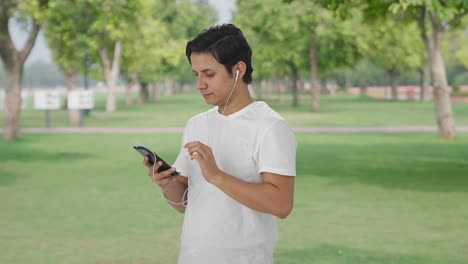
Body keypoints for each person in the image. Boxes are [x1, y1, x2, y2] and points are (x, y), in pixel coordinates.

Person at [144, 23, 297, 264]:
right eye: (197, 75)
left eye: (209, 74)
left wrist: (216, 176)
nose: (199, 84)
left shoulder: (270, 127)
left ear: (238, 69)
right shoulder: (196, 124)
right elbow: (185, 202)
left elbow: (282, 204)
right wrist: (167, 184)